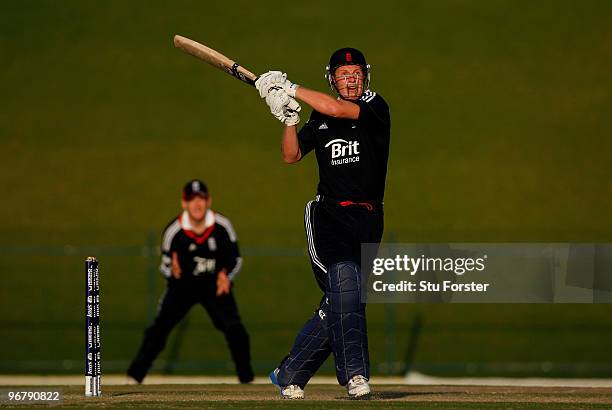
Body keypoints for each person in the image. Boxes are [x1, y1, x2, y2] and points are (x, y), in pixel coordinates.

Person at [255, 48, 390, 399]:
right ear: (332, 78)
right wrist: (288, 118)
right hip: (329, 216)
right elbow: (291, 155)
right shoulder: (319, 117)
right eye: (344, 73)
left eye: (356, 72)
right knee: (344, 284)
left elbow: (337, 108)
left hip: (369, 218)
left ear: (366, 75)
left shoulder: (375, 107)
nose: (351, 78)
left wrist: (288, 86)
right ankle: (355, 376)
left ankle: (290, 372)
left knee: (342, 302)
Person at [127, 179, 254, 384]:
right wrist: (173, 271)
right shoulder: (174, 231)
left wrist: (226, 276)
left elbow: (236, 259)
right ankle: (134, 377)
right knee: (159, 330)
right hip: (182, 287)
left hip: (215, 286)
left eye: (201, 199)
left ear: (209, 201)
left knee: (235, 330)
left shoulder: (222, 226)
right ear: (184, 203)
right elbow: (165, 264)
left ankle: (247, 380)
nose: (197, 204)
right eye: (191, 199)